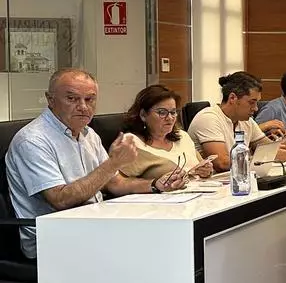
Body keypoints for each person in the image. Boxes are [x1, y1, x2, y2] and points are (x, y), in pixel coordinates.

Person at [6, 69, 187, 258]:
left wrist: (155, 185)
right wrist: (113, 164)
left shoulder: (89, 134)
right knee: (151, 245)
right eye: (72, 99)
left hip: (91, 225)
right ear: (50, 100)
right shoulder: (33, 140)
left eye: (90, 99)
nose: (83, 107)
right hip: (53, 239)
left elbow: (115, 183)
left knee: (164, 232)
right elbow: (60, 199)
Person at [188, 71, 286, 171]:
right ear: (232, 98)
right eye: (251, 102)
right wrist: (267, 157)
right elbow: (222, 163)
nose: (256, 108)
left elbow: (269, 148)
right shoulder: (208, 118)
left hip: (238, 179)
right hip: (211, 182)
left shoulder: (246, 121)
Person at [119, 84, 214, 181]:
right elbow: (118, 183)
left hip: (200, 188)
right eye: (162, 112)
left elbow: (200, 165)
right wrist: (154, 184)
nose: (170, 118)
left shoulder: (182, 136)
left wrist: (205, 170)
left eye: (173, 112)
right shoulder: (131, 144)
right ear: (143, 115)